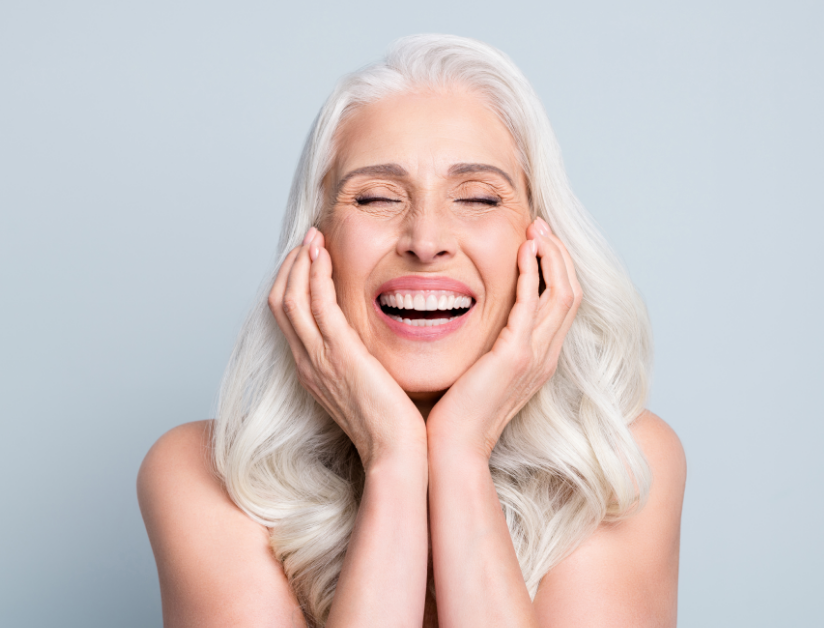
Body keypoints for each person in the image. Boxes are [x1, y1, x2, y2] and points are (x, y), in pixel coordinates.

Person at [137, 34, 686, 628]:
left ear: (540, 243)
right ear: (314, 244)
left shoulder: (616, 462)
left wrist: (459, 451)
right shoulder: (200, 474)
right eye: (375, 198)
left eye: (477, 197)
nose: (426, 241)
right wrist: (394, 459)